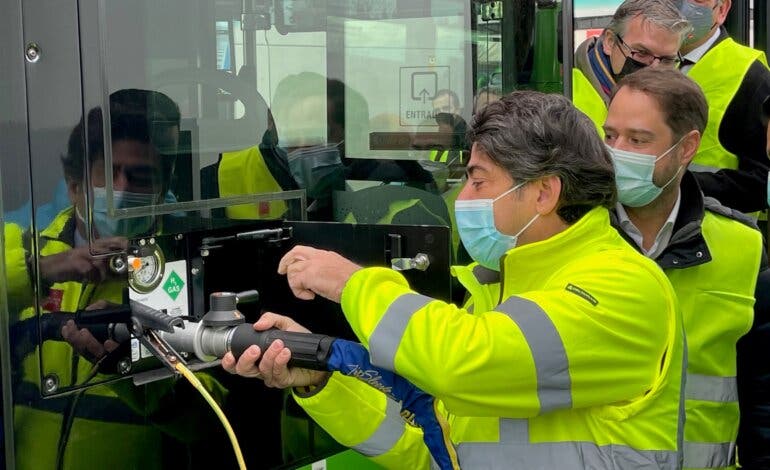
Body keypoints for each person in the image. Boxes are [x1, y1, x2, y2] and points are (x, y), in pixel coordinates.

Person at [223, 91, 687, 469]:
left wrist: (352, 283)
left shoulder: (623, 286)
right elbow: (433, 443)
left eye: (479, 181)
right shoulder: (495, 290)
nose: (462, 197)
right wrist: (322, 376)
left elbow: (461, 362)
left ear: (544, 193)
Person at [5, 88, 229, 469]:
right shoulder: (28, 252)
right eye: (109, 174)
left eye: (140, 177)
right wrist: (39, 271)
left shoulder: (185, 266)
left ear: (162, 189)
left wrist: (140, 368)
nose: (121, 191)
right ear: (75, 185)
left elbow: (212, 421)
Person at [603, 67, 766, 470]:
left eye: (637, 140)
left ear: (687, 147)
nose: (617, 152)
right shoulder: (575, 236)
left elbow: (763, 396)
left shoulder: (743, 247)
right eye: (609, 136)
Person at [676, 0, 770, 215]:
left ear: (722, 9)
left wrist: (679, 184)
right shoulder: (649, 58)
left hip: (715, 228)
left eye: (697, 0)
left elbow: (763, 180)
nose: (682, 5)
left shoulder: (752, 77)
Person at [572, 0, 691, 134]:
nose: (655, 69)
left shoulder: (674, 102)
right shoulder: (569, 97)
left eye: (667, 60)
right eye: (642, 53)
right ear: (610, 42)